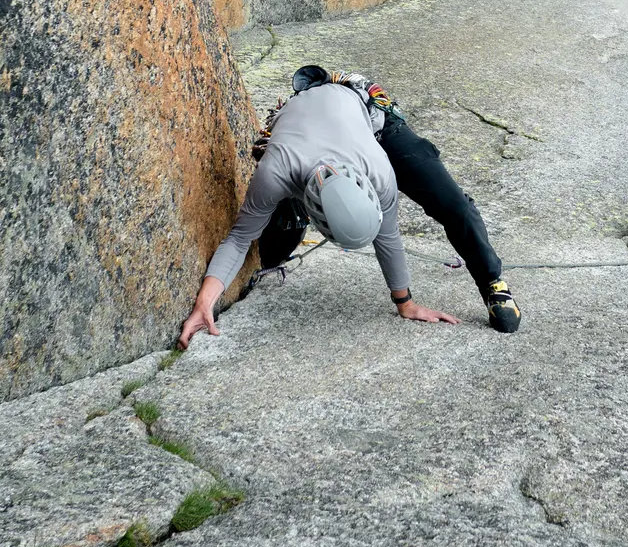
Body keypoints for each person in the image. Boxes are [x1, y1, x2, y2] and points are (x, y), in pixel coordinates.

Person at [178, 67, 521, 348]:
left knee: (451, 203)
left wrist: (406, 303)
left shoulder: (379, 170)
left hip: (367, 112)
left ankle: (493, 282)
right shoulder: (276, 170)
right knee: (275, 244)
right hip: (304, 122)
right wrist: (204, 303)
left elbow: (387, 237)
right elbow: (239, 238)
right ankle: (285, 231)